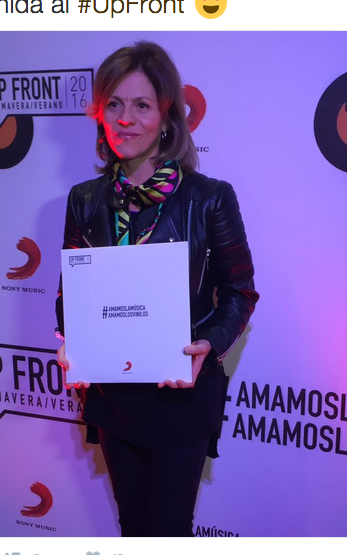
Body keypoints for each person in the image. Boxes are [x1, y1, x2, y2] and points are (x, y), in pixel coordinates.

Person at [55, 41, 259, 537]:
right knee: (133, 526)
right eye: (114, 104)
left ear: (167, 117)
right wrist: (71, 341)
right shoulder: (85, 200)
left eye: (142, 105)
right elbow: (69, 295)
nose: (125, 119)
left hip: (179, 397)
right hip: (113, 397)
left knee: (168, 530)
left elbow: (240, 293)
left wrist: (208, 344)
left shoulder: (209, 199)